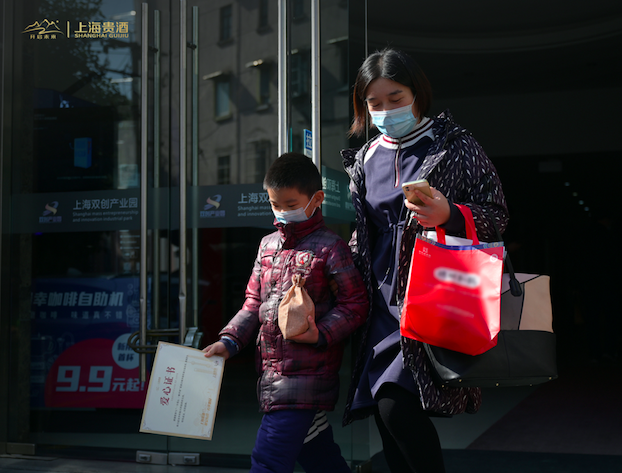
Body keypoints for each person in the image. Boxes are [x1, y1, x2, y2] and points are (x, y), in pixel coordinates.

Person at [341, 49, 509, 473]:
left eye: (395, 98)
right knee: (385, 417)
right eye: (374, 103)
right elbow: (365, 233)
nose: (385, 110)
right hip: (379, 304)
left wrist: (450, 213)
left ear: (417, 93)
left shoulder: (455, 145)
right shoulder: (365, 157)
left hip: (432, 293)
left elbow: (497, 214)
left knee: (394, 405)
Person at [203, 152, 369, 473]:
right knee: (319, 456)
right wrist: (229, 341)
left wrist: (321, 333)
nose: (282, 211)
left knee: (268, 460)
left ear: (316, 199)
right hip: (273, 375)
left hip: (306, 377)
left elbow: (355, 304)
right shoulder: (267, 246)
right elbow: (253, 302)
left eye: (291, 204)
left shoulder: (330, 247)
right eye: (275, 204)